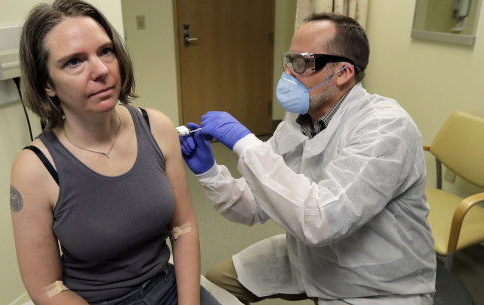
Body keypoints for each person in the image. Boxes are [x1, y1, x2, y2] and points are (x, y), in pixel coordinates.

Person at [180, 12, 436, 305]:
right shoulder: (299, 121)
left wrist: (248, 145)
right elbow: (253, 206)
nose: (288, 73)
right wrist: (210, 173)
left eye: (302, 63)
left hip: (375, 284)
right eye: (289, 60)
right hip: (309, 257)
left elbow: (322, 221)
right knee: (215, 283)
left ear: (343, 73)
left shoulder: (385, 128)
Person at [9, 1, 220, 304]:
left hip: (168, 285)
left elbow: (183, 228)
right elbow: (48, 288)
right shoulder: (34, 169)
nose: (101, 70)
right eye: (74, 62)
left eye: (105, 51)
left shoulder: (156, 127)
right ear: (47, 84)